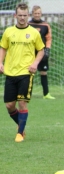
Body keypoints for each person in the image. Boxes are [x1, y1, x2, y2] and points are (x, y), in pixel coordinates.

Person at [0, 3, 45, 142]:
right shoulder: (8, 32)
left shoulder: (34, 33)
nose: (22, 18)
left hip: (26, 73)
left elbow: (41, 51)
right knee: (9, 105)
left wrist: (35, 63)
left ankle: (20, 133)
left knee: (22, 103)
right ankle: (21, 125)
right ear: (15, 15)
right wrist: (0, 63)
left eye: (25, 16)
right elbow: (3, 48)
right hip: (10, 73)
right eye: (20, 15)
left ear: (28, 16)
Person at [28, 5, 55, 100]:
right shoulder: (28, 24)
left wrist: (47, 49)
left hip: (42, 52)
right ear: (32, 14)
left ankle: (46, 94)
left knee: (43, 72)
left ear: (41, 14)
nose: (37, 15)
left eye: (38, 13)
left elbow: (48, 38)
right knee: (29, 73)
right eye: (35, 13)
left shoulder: (45, 25)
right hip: (30, 53)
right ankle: (27, 94)